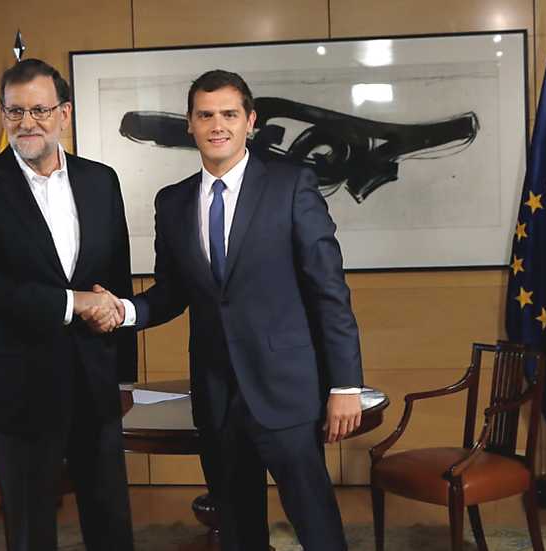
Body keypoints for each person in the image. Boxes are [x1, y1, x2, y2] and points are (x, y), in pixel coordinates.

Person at [89, 69, 365, 550]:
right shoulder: (172, 202)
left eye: (229, 114)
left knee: (317, 526)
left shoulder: (291, 185)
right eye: (205, 115)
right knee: (236, 530)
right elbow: (171, 292)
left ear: (250, 121)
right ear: (190, 124)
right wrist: (124, 312)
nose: (217, 125)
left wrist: (345, 385)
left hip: (287, 391)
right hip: (216, 395)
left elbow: (329, 290)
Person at [0, 58, 136, 551]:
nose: (26, 122)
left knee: (112, 522)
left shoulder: (101, 180)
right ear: (3, 114)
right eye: (14, 111)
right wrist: (74, 302)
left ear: (64, 114)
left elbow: (117, 279)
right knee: (31, 531)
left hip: (95, 381)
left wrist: (123, 377)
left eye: (39, 110)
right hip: (20, 385)